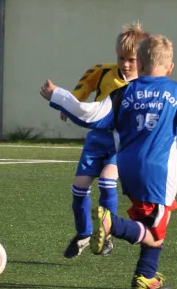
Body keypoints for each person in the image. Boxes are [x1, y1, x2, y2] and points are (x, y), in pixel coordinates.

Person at [40, 35, 177, 289]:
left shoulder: (123, 93)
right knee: (156, 234)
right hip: (158, 171)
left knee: (152, 221)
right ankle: (112, 224)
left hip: (127, 168)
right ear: (170, 68)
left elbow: (89, 115)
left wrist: (58, 95)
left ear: (141, 65)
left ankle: (145, 276)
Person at [62, 23, 148, 259]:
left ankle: (107, 233)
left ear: (141, 59)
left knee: (108, 182)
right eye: (122, 58)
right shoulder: (103, 72)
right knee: (79, 189)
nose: (126, 64)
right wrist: (72, 103)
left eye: (131, 59)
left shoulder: (145, 84)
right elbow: (85, 84)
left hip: (120, 145)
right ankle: (83, 234)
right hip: (96, 142)